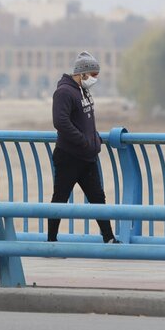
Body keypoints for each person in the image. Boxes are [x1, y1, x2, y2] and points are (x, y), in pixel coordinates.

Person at [48, 51, 120, 244]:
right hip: (69, 156)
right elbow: (60, 122)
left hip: (88, 157)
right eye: (94, 75)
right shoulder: (64, 92)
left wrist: (94, 139)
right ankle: (51, 241)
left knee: (98, 198)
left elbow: (86, 120)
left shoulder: (83, 90)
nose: (95, 79)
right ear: (83, 73)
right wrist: (83, 140)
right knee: (60, 199)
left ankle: (109, 238)